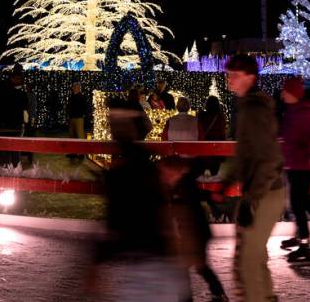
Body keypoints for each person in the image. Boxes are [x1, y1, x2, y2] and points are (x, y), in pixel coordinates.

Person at [86, 98, 185, 300]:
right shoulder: (145, 168)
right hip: (155, 261)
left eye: (116, 124)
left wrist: (97, 261)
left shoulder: (123, 173)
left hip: (146, 265)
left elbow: (116, 220)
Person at [221, 54, 284, 302]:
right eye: (228, 76)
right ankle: (265, 297)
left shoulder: (255, 110)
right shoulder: (249, 107)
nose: (229, 82)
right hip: (263, 191)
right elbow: (247, 153)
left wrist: (250, 200)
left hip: (265, 193)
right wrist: (229, 181)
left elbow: (268, 160)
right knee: (255, 256)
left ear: (249, 77)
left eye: (233, 76)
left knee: (249, 259)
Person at [159, 156, 229, 302]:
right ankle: (217, 294)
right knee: (198, 266)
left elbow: (195, 195)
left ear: (174, 171)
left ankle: (194, 298)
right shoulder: (176, 186)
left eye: (165, 171)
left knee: (191, 267)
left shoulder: (184, 184)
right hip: (191, 233)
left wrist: (212, 196)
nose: (163, 175)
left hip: (197, 233)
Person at [278, 77, 310, 262]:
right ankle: (300, 237)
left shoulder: (302, 114)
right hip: (293, 164)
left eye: (285, 91)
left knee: (298, 205)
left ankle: (305, 246)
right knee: (295, 204)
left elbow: (308, 139)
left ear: (293, 94)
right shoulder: (293, 111)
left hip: (301, 167)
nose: (282, 94)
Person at [0, 67, 28, 168]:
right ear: (13, 78)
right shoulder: (10, 92)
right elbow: (7, 108)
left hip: (8, 124)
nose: (20, 81)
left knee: (8, 148)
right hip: (8, 124)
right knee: (10, 147)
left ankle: (8, 167)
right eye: (18, 79)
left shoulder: (9, 90)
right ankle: (11, 167)